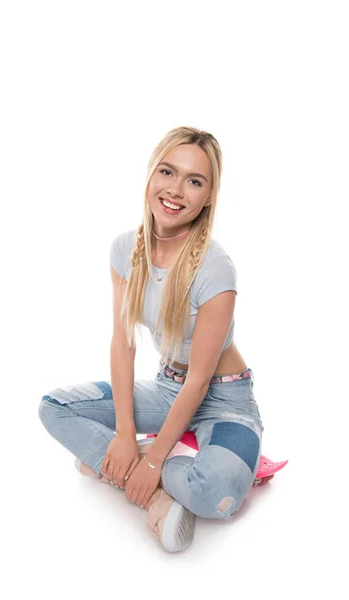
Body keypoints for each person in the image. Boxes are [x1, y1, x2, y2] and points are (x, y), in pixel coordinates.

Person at [38, 125, 264, 553]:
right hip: (166, 388)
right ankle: (139, 468)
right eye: (167, 172)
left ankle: (125, 464)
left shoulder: (217, 269)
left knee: (218, 494)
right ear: (150, 174)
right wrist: (124, 435)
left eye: (194, 181)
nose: (176, 190)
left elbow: (199, 381)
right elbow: (123, 343)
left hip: (224, 400)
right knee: (54, 408)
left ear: (209, 196)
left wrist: (155, 460)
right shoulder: (125, 250)